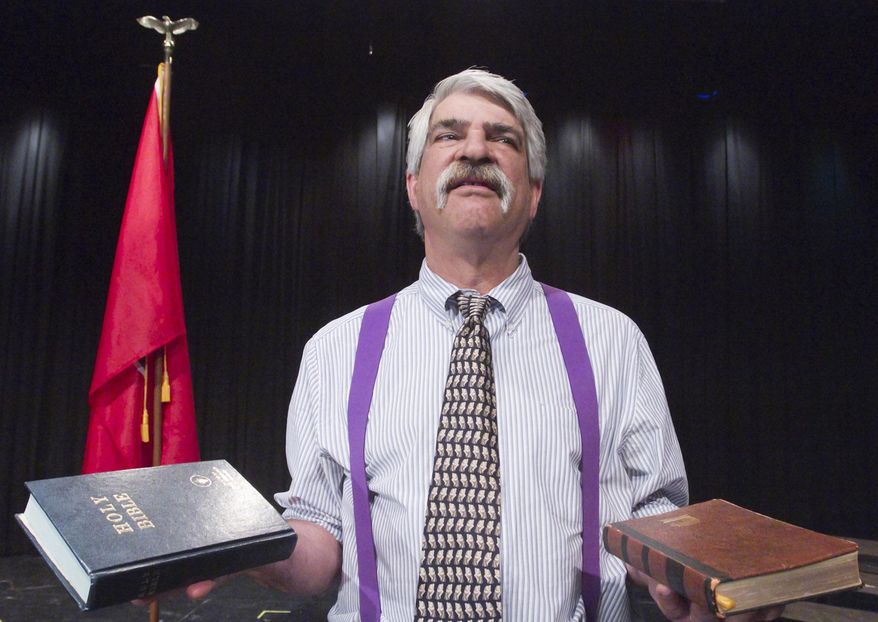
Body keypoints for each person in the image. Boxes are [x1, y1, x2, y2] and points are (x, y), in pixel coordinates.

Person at [187, 69, 783, 622]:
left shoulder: (613, 340)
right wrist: (238, 547)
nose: (475, 150)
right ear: (414, 188)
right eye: (450, 135)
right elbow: (317, 546)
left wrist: (681, 576)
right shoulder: (334, 350)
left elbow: (653, 523)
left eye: (503, 139)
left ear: (535, 192)